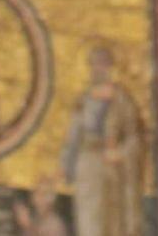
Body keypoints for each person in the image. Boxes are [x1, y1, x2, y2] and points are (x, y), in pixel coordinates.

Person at [58, 44, 143, 236]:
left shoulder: (121, 100)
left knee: (112, 222)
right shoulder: (84, 99)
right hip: (87, 165)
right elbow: (74, 134)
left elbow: (135, 137)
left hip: (112, 169)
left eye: (103, 64)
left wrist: (120, 154)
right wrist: (66, 164)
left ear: (110, 67)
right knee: (89, 221)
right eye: (94, 64)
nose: (98, 69)